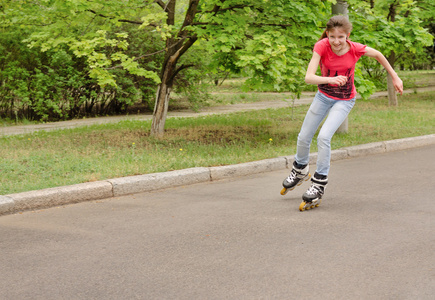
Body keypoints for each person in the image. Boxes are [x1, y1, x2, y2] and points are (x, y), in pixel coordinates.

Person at [281, 15, 403, 210]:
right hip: (323, 97)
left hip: (344, 101)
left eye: (340, 37)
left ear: (348, 35)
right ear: (327, 36)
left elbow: (379, 54)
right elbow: (309, 78)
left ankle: (319, 183)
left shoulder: (355, 49)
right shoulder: (321, 46)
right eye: (332, 37)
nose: (336, 42)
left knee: (324, 137)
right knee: (304, 136)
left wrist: (395, 76)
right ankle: (300, 170)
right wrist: (330, 80)